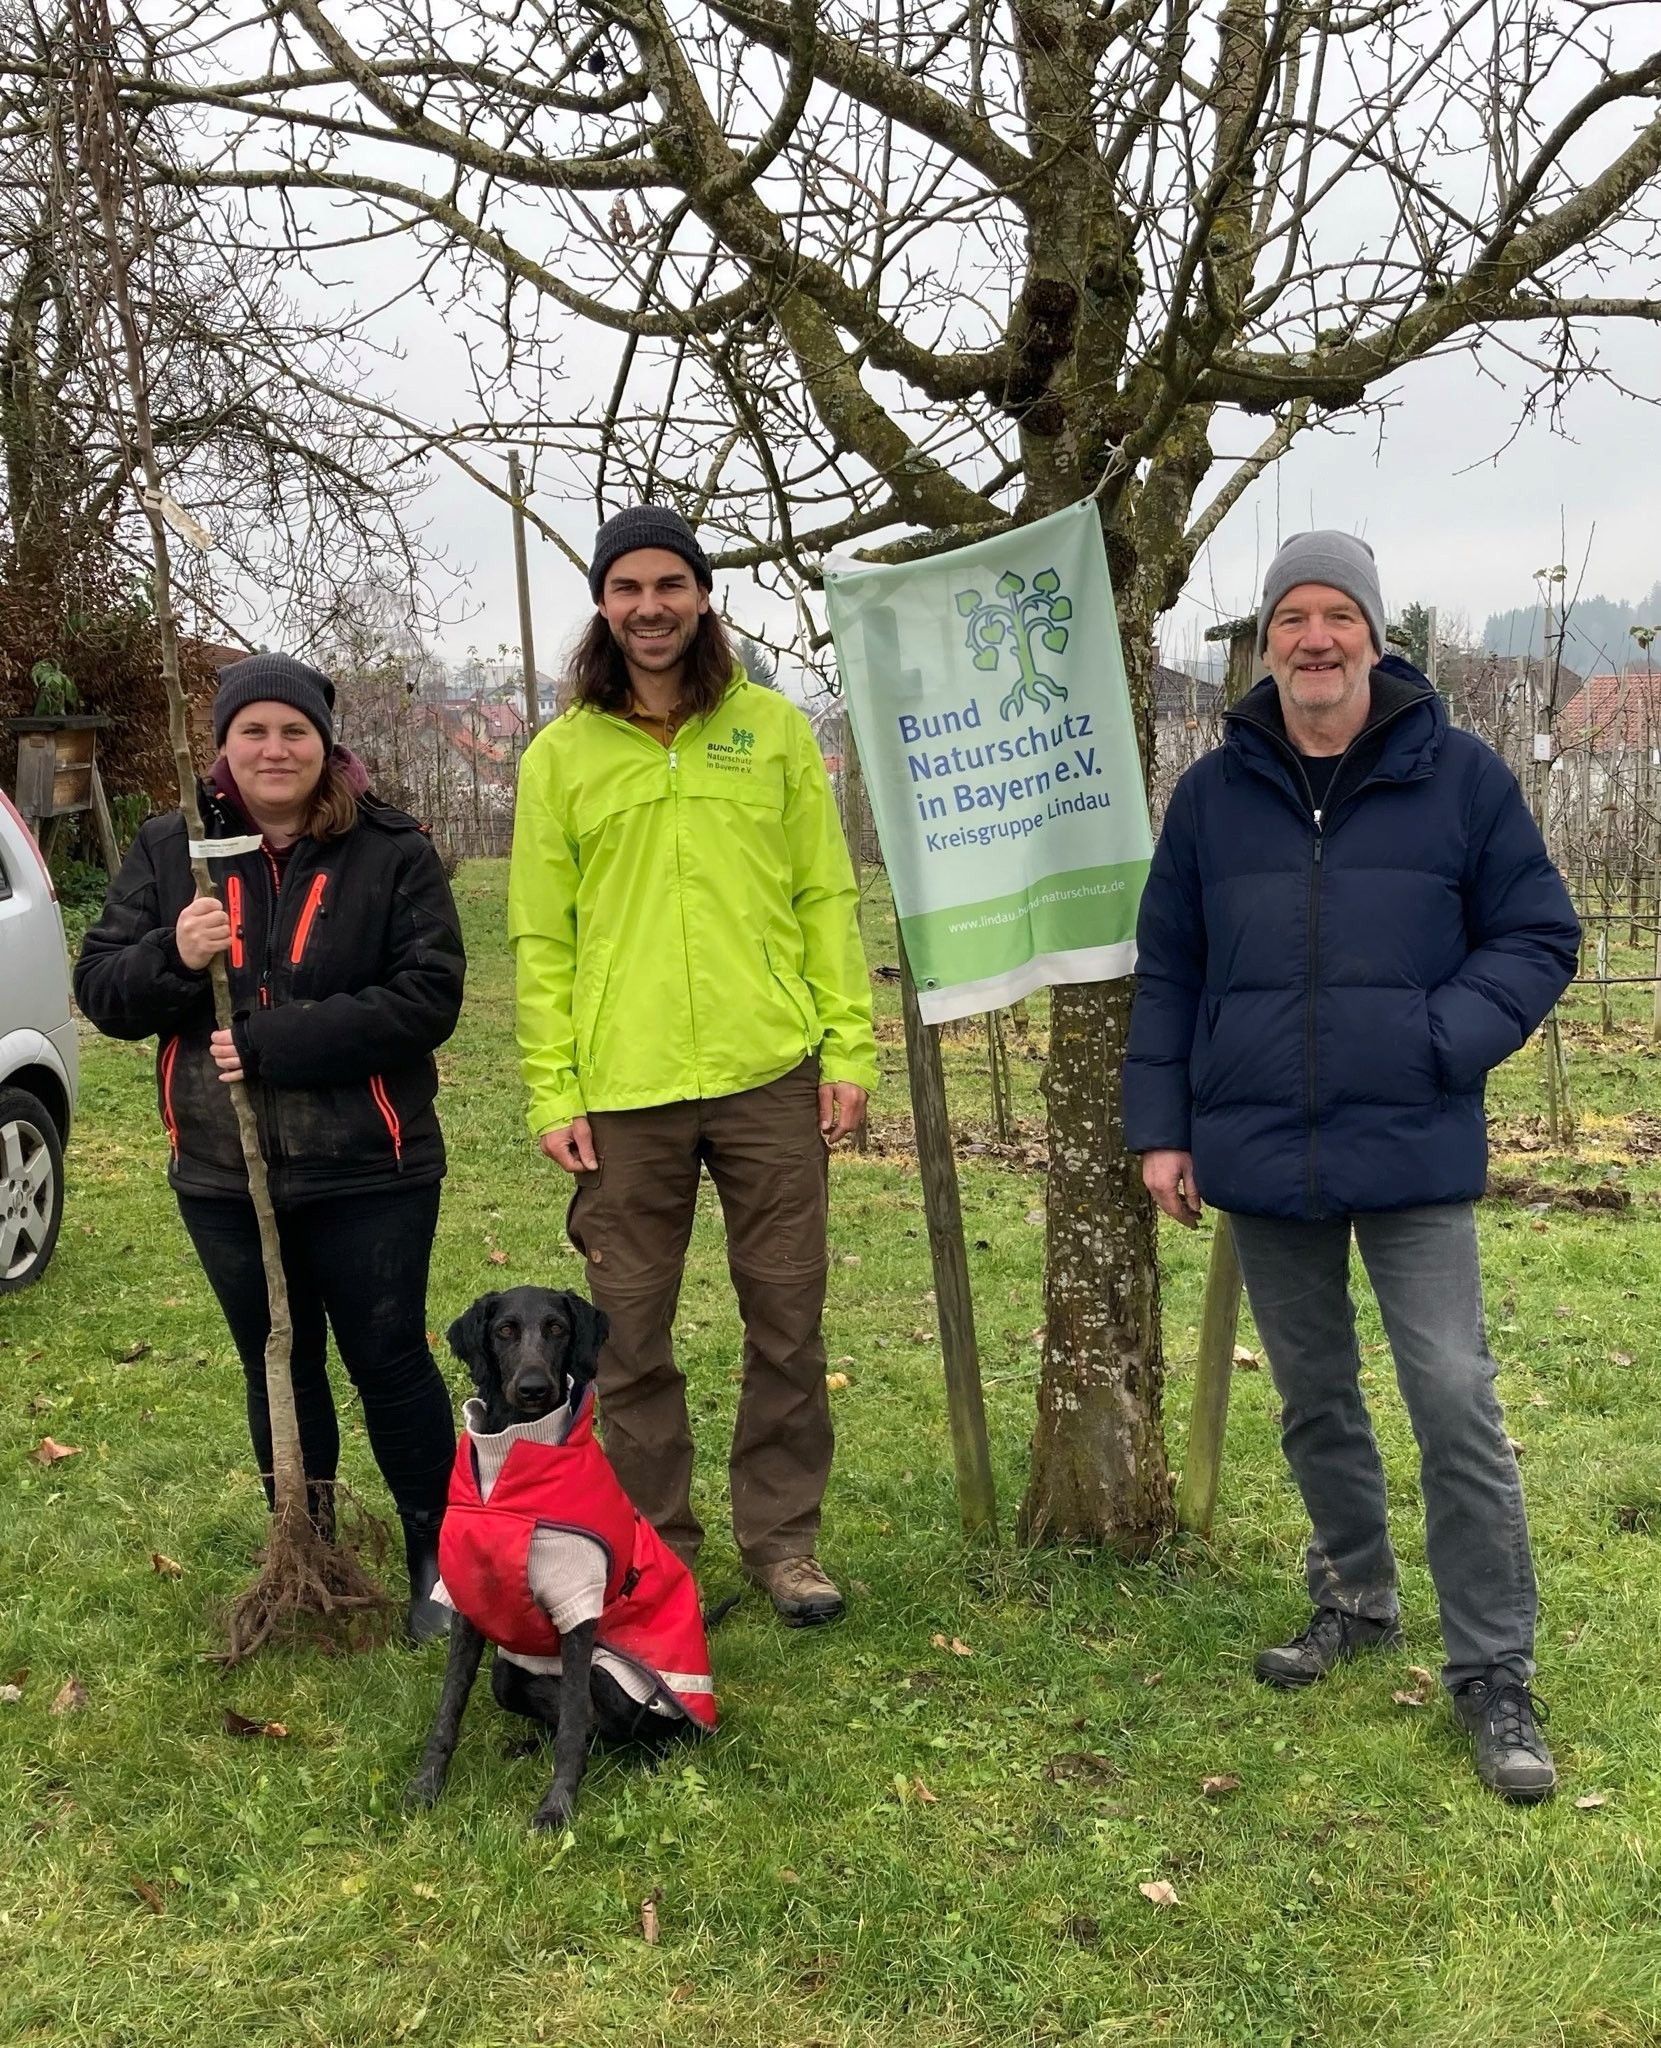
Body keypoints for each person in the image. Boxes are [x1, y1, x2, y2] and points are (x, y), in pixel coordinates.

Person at [1124, 531, 1580, 1802]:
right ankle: (1356, 1597)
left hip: (1411, 1143)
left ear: (1376, 636)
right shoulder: (1213, 797)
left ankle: (1492, 1667)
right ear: (1261, 642)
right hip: (1259, 1146)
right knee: (1314, 1395)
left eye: (1337, 615)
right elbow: (1169, 970)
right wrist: (1162, 1128)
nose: (1313, 638)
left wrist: (1439, 1036)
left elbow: (1541, 930)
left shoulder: (1461, 778)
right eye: (1290, 617)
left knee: (1450, 1399)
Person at [508, 505, 878, 1625]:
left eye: (670, 585)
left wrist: (846, 1044)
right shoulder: (560, 754)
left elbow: (824, 893)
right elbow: (541, 933)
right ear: (604, 604)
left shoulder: (767, 732)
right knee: (626, 1333)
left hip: (767, 1072)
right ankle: (654, 1550)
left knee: (786, 1318)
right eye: (628, 588)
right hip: (622, 1093)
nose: (650, 607)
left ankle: (783, 1540)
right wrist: (552, 1086)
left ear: (702, 595)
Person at [75, 654, 467, 1643]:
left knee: (387, 1355)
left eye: (293, 730)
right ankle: (308, 1541)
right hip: (222, 1171)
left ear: (325, 744)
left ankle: (438, 1555)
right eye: (252, 730)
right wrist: (178, 953)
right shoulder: (174, 849)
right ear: (221, 746)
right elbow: (104, 992)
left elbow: (427, 997)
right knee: (276, 1355)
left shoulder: (391, 849)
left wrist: (273, 1042)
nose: (273, 748)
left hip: (370, 1163)